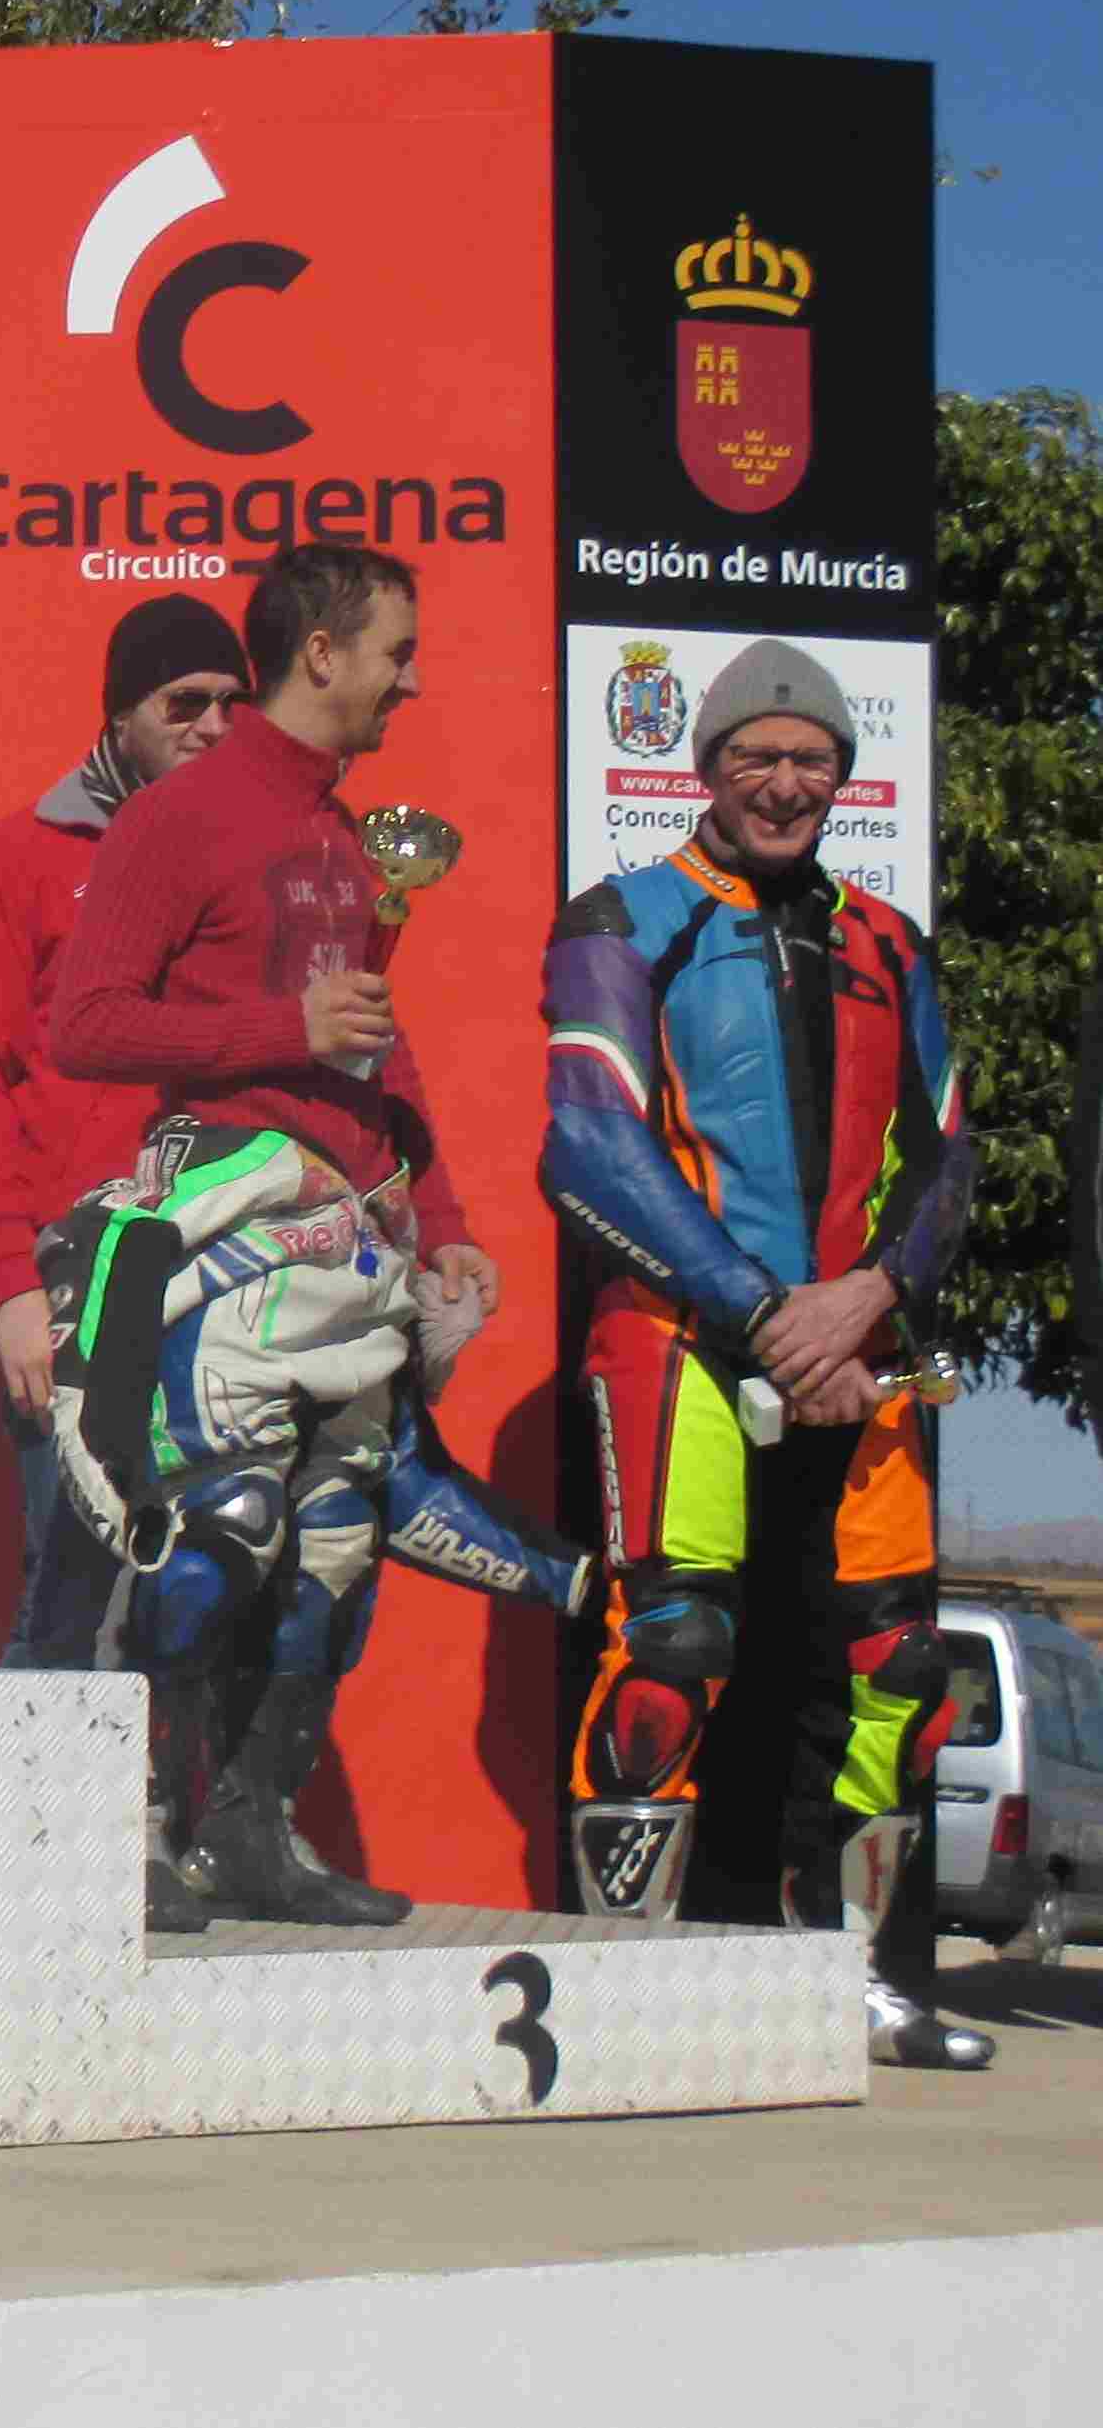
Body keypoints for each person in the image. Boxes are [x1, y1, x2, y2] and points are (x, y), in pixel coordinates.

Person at [542, 640, 986, 2068]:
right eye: (756, 757)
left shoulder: (889, 942)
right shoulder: (623, 918)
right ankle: (619, 1990)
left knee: (896, 1663)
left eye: (812, 761)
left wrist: (866, 1299)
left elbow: (946, 1157)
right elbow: (588, 1144)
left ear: (841, 777)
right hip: (678, 1341)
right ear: (706, 768)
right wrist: (765, 1314)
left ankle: (850, 1981)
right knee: (673, 1645)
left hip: (859, 1347)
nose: (785, 784)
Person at [42, 544, 498, 1930]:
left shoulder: (343, 835)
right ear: (319, 653)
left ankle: (251, 1834)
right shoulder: (181, 816)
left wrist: (440, 1218)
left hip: (350, 1240)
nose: (409, 682)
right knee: (209, 1538)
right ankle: (125, 1835)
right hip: (228, 1219)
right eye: (394, 653)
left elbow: (371, 1045)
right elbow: (84, 1024)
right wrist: (277, 1028)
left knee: (331, 1554)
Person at [0, 597, 252, 1669]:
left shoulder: (258, 867)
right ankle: (30, 1792)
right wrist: (14, 1286)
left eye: (231, 704)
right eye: (182, 702)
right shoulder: (4, 867)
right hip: (81, 1286)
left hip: (237, 1275)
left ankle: (191, 1793)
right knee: (73, 1613)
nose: (211, 726)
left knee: (229, 1598)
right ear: (118, 714)